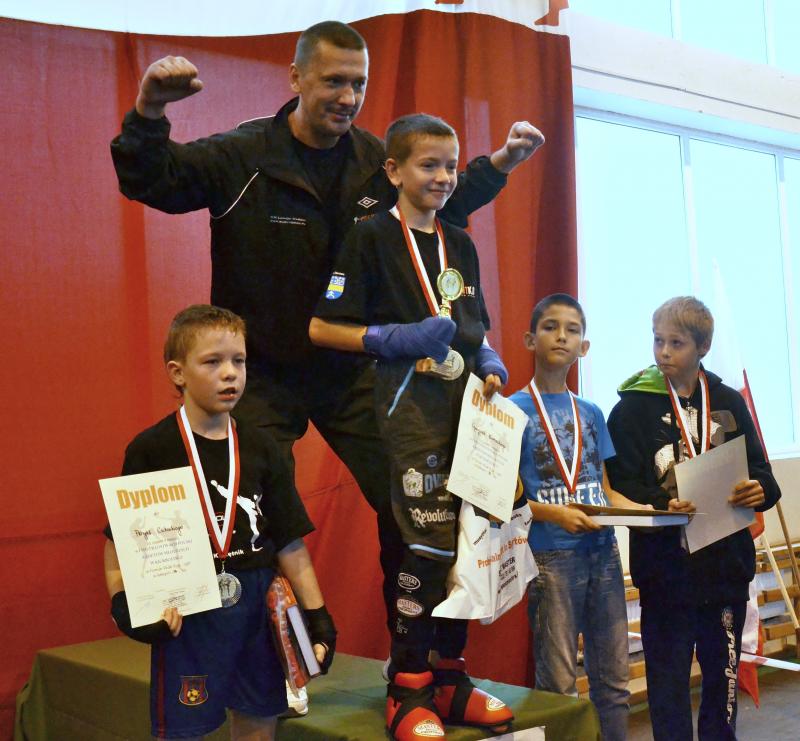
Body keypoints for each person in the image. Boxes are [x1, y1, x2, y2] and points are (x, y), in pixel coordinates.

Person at [109, 20, 544, 638]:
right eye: (334, 81)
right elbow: (154, 180)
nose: (348, 96)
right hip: (261, 374)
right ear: (296, 77)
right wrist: (150, 110)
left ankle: (414, 661)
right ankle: (259, 657)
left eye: (358, 84)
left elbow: (439, 193)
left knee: (413, 501)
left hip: (355, 370)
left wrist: (500, 164)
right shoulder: (244, 155)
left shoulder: (373, 161)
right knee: (247, 512)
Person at [309, 113, 512, 740]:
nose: (444, 177)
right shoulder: (369, 237)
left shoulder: (461, 242)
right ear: (394, 171)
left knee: (466, 548)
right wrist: (390, 338)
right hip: (402, 416)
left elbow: (471, 326)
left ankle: (450, 678)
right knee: (420, 549)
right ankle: (407, 685)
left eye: (451, 165)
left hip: (464, 418)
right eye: (429, 165)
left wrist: (489, 361)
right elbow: (322, 327)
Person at [103, 305, 336, 740]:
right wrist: (123, 605)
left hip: (257, 608)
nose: (230, 373)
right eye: (212, 362)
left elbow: (289, 542)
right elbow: (119, 545)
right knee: (185, 729)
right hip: (188, 613)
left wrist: (317, 614)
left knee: (258, 722)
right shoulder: (152, 449)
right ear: (178, 373)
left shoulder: (263, 447)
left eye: (239, 361)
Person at [606, 296, 781, 741]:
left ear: (703, 347)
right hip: (666, 575)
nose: (663, 352)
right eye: (658, 340)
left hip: (724, 574)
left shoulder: (728, 401)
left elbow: (764, 475)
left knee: (722, 686)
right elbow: (620, 486)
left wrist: (758, 489)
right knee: (667, 689)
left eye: (676, 343)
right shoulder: (631, 408)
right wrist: (662, 504)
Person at [509, 294, 640, 741]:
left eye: (572, 329)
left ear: (584, 347)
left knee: (614, 683)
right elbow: (502, 502)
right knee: (559, 686)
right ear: (530, 339)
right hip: (551, 558)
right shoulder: (510, 411)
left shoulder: (592, 413)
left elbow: (605, 491)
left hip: (603, 553)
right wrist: (555, 514)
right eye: (550, 326)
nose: (561, 336)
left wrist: (649, 511)